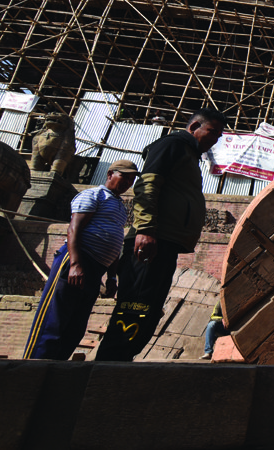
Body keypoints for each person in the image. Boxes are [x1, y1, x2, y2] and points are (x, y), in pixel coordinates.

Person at [96, 108, 226, 361]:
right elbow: (148, 185)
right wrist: (145, 229)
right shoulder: (172, 145)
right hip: (152, 241)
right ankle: (109, 364)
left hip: (166, 244)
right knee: (136, 305)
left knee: (150, 307)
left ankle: (121, 361)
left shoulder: (189, 155)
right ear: (194, 126)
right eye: (212, 132)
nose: (215, 139)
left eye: (220, 135)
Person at [22, 160, 139, 360]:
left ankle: (56, 367)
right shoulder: (94, 195)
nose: (128, 182)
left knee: (76, 324)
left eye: (131, 179)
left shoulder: (120, 206)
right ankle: (33, 366)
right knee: (54, 319)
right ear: (110, 174)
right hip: (77, 260)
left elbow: (114, 241)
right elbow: (74, 228)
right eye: (124, 176)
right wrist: (75, 265)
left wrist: (112, 277)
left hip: (96, 269)